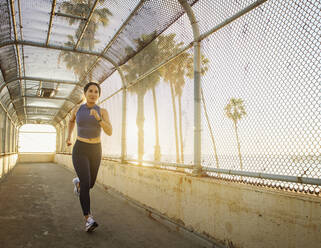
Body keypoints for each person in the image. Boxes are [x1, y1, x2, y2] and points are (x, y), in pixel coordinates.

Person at [66, 82, 112, 232]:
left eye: (96, 92)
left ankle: (78, 183)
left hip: (95, 150)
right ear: (85, 94)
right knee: (87, 184)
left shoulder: (102, 111)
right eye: (90, 91)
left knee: (90, 184)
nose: (93, 94)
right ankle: (88, 219)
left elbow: (109, 131)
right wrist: (68, 137)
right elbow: (71, 121)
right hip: (80, 148)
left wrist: (98, 118)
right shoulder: (77, 109)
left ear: (98, 95)